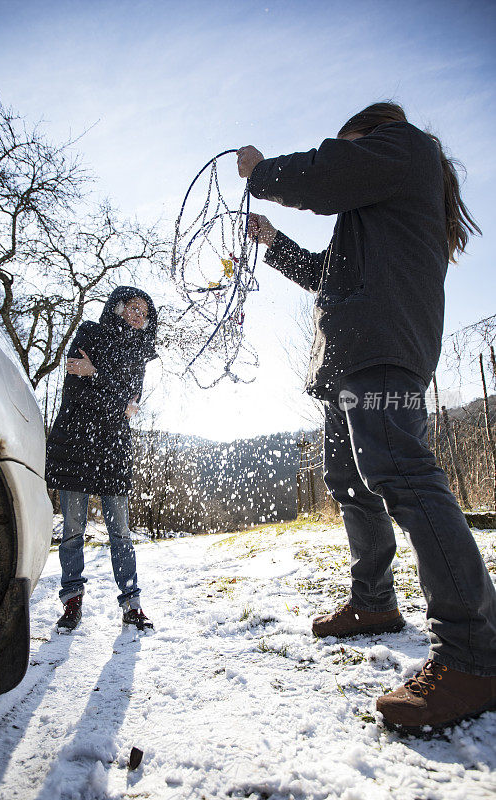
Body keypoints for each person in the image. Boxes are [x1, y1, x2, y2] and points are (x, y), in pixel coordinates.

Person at [236, 102, 496, 730]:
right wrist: (274, 244)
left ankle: (474, 651)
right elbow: (331, 277)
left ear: (365, 136)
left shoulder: (405, 147)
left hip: (382, 348)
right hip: (356, 355)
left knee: (401, 471)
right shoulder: (379, 212)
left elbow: (328, 171)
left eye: (348, 143)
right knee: (353, 479)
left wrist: (262, 172)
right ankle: (375, 601)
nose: (346, 154)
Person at [46, 286, 158, 632]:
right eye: (134, 307)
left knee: (120, 532)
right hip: (76, 445)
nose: (139, 314)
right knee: (73, 530)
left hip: (113, 449)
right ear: (119, 308)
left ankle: (131, 604)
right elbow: (75, 389)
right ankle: (72, 603)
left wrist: (95, 374)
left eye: (145, 311)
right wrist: (111, 394)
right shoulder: (90, 333)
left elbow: (128, 408)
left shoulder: (140, 354)